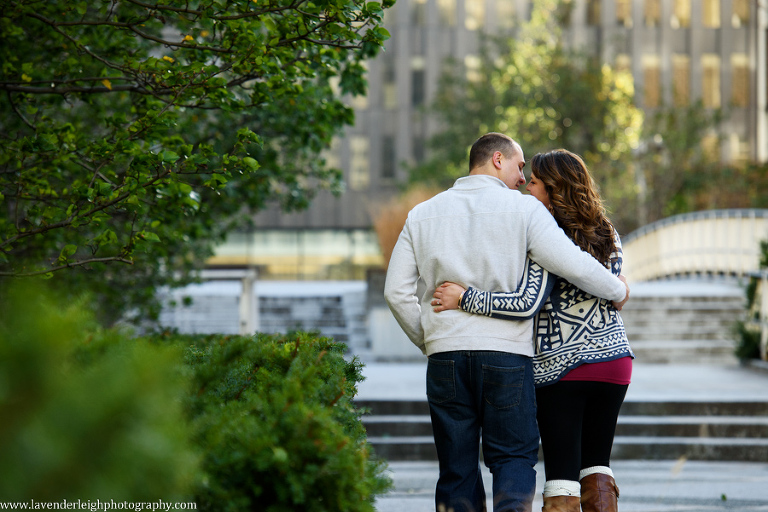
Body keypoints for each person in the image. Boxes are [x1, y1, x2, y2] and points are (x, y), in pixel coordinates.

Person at [384, 134, 630, 512]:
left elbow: (396, 293)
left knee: (456, 467)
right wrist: (618, 289)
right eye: (519, 168)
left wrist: (430, 340)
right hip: (508, 356)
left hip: (446, 355)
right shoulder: (526, 212)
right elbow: (573, 263)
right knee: (512, 459)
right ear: (498, 159)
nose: (521, 179)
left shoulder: (421, 214)